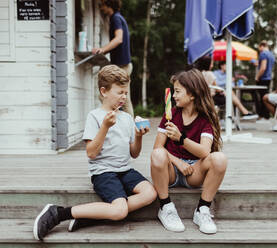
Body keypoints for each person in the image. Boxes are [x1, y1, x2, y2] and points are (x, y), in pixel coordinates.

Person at [33, 65, 157, 241]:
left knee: (150, 193)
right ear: (104, 91)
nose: (124, 97)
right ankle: (58, 213)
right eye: (120, 92)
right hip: (104, 172)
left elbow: (134, 154)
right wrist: (105, 127)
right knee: (120, 210)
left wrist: (138, 137)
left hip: (125, 170)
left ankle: (91, 215)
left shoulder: (127, 118)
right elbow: (91, 153)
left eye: (125, 93)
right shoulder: (95, 116)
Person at [150, 69, 227, 234]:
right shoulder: (170, 115)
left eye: (177, 91)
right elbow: (158, 147)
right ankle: (165, 206)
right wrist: (178, 162)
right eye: (174, 91)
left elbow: (205, 152)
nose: (174, 95)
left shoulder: (205, 118)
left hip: (194, 172)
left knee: (219, 159)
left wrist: (181, 138)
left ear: (192, 95)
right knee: (157, 155)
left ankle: (202, 210)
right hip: (170, 170)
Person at [92, 0, 134, 116]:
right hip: (122, 65)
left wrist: (103, 49)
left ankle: (129, 129)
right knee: (120, 98)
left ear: (109, 5)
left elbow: (119, 38)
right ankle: (121, 124)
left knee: (116, 98)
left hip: (122, 66)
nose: (101, 8)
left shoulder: (115, 18)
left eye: (102, 6)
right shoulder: (118, 18)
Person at [255, 40, 275, 120]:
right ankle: (266, 115)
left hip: (262, 78)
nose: (259, 50)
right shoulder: (271, 55)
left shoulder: (263, 54)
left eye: (259, 48)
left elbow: (263, 68)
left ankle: (263, 115)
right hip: (268, 78)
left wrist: (257, 77)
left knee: (261, 98)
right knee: (265, 96)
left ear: (262, 46)